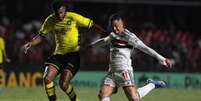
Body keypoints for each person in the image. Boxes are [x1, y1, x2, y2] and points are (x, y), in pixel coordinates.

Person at [23, 0, 106, 101]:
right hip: (58, 55)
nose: (60, 15)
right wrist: (31, 43)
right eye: (57, 13)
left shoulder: (73, 17)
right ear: (54, 12)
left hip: (73, 56)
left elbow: (91, 24)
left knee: (63, 84)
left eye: (62, 12)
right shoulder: (50, 20)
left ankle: (75, 99)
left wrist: (104, 33)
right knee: (47, 79)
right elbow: (41, 35)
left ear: (65, 10)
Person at [89, 14, 173, 101]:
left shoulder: (129, 36)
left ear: (122, 25)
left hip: (124, 71)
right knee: (102, 95)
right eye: (113, 26)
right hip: (112, 72)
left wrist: (162, 59)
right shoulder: (112, 35)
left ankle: (152, 84)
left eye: (116, 26)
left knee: (134, 98)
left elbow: (145, 48)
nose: (114, 28)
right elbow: (104, 41)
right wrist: (90, 46)